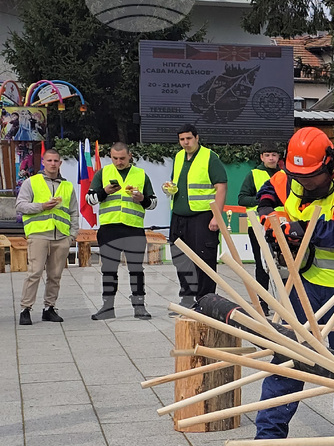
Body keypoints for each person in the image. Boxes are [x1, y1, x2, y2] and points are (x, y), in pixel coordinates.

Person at [252, 127, 334, 446]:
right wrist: (271, 217)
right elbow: (266, 194)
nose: (304, 182)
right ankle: (269, 432)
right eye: (299, 175)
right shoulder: (289, 179)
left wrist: (305, 229)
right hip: (302, 284)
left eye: (311, 176)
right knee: (290, 357)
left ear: (329, 165)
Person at [87, 143, 156, 320]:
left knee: (136, 269)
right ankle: (107, 306)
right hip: (109, 228)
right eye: (115, 158)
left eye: (122, 158)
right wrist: (104, 192)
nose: (119, 162)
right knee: (109, 269)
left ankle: (139, 305)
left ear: (130, 156)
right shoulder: (102, 173)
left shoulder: (141, 174)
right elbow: (89, 199)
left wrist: (142, 198)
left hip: (133, 228)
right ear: (110, 156)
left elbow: (153, 202)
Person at [163, 124, 227, 310]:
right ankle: (187, 298)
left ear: (197, 138)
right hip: (179, 216)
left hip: (202, 216)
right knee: (180, 258)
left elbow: (221, 187)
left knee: (203, 259)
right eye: (182, 139)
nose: (185, 143)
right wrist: (169, 188)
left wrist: (217, 216)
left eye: (189, 139)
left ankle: (205, 301)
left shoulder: (210, 157)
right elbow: (176, 182)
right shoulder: (178, 156)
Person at [17, 149, 79, 325]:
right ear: (43, 162)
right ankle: (25, 309)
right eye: (49, 160)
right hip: (38, 234)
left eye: (56, 161)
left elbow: (74, 212)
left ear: (60, 163)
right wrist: (41, 206)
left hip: (61, 236)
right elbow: (20, 205)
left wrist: (72, 235)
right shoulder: (31, 182)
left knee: (55, 275)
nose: (53, 164)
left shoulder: (67, 186)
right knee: (34, 273)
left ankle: (49, 308)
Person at [238, 144, 285, 314]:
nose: (271, 158)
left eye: (273, 154)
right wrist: (265, 202)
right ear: (262, 157)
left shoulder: (285, 175)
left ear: (278, 157)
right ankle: (263, 303)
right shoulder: (253, 174)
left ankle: (287, 302)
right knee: (262, 265)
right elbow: (242, 198)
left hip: (282, 224)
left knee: (286, 264)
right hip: (258, 226)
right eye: (267, 155)